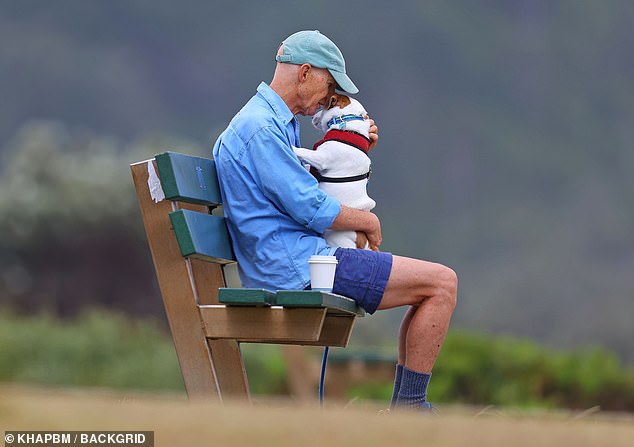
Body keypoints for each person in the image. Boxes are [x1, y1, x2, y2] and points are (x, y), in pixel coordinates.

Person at [212, 30, 457, 411]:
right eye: (330, 85)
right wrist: (367, 222)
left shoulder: (271, 124)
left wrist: (351, 145)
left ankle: (409, 408)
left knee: (431, 287)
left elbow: (306, 190)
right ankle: (410, 409)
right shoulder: (260, 129)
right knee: (442, 284)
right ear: (306, 72)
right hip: (299, 268)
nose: (331, 97)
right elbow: (310, 206)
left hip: (298, 260)